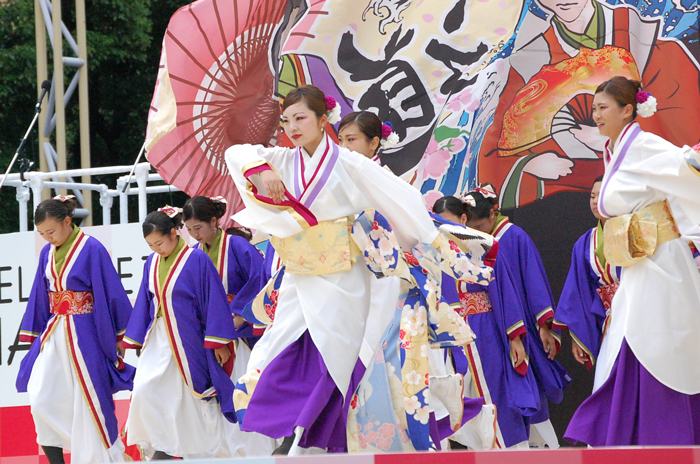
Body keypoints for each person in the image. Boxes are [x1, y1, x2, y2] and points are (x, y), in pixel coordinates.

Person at [224, 85, 489, 454]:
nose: (292, 128)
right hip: (302, 277)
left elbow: (405, 202)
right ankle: (294, 431)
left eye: (301, 118)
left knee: (337, 354)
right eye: (286, 121)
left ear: (322, 119)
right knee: (277, 346)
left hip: (346, 277)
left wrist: (441, 245)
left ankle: (312, 436)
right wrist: (260, 170)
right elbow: (236, 152)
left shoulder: (350, 163)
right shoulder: (283, 161)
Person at [564, 76, 700, 446]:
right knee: (633, 338)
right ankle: (630, 436)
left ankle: (659, 435)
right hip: (641, 264)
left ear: (628, 110)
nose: (595, 115)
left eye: (603, 108)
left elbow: (686, 166)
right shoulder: (619, 149)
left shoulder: (643, 145)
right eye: (593, 109)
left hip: (662, 262)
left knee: (655, 341)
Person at [16, 195, 134, 464]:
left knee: (90, 397)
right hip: (56, 330)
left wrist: (119, 337)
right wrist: (33, 333)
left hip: (87, 332)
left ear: (67, 221)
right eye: (42, 234)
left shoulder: (91, 248)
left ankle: (105, 457)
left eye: (51, 231)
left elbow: (111, 291)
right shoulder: (47, 252)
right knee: (42, 396)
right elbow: (39, 294)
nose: (48, 238)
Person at [122, 206, 238, 459]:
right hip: (159, 337)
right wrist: (134, 338)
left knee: (188, 396)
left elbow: (213, 301)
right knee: (144, 389)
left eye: (159, 242)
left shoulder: (197, 260)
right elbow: (144, 301)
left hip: (190, 337)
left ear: (174, 233)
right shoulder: (151, 263)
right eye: (151, 245)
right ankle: (160, 446)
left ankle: (200, 450)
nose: (156, 249)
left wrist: (218, 343)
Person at [464, 186, 571, 448]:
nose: (479, 231)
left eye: (481, 224)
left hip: (521, 322)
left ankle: (536, 446)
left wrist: (544, 326)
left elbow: (535, 281)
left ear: (493, 212)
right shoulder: (471, 242)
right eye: (473, 226)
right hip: (490, 326)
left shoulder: (515, 237)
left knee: (525, 387)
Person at [433, 197, 540, 449]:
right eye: (438, 223)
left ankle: (508, 451)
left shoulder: (482, 246)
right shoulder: (432, 251)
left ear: (462, 220)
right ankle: (477, 450)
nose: (443, 228)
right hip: (450, 335)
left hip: (484, 329)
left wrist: (515, 338)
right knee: (456, 397)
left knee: (495, 391)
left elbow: (504, 290)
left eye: (447, 222)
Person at [182, 195, 276, 457]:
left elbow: (260, 280)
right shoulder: (196, 254)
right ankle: (230, 454)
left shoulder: (236, 245)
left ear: (214, 221)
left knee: (246, 390)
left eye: (198, 228)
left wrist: (237, 317)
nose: (194, 234)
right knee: (223, 396)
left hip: (241, 330)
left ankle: (258, 452)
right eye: (189, 230)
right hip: (216, 333)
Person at [553, 176, 620, 375]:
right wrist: (577, 335)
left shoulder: (635, 230)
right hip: (609, 318)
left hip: (638, 312)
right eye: (592, 196)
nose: (594, 201)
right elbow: (578, 291)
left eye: (601, 195)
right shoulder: (585, 242)